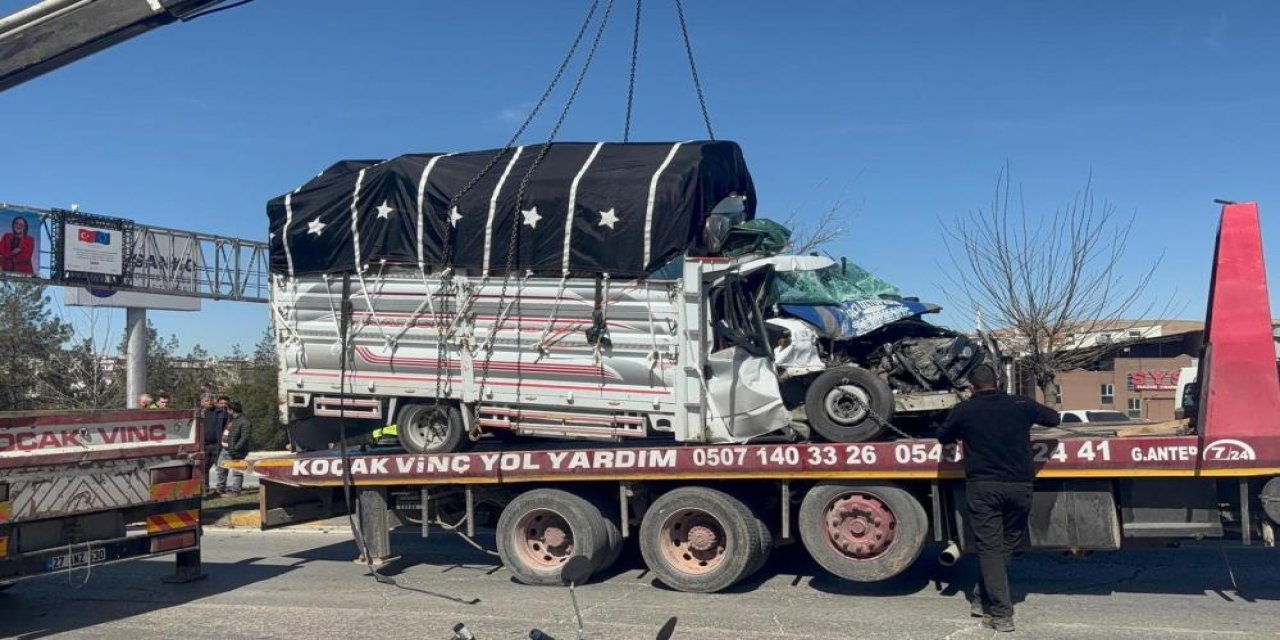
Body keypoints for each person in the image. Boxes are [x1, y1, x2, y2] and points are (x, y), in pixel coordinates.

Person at [937, 364, 1060, 633]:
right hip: (1019, 486)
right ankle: (982, 600)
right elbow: (1054, 419)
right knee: (1006, 547)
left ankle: (1000, 613)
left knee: (991, 549)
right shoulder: (1020, 404)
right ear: (999, 382)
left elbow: (942, 436)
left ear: (971, 387)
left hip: (983, 488)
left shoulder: (965, 410)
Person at [214, 400, 252, 495]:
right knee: (221, 469)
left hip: (235, 451)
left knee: (237, 471)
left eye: (228, 409)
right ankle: (220, 489)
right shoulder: (232, 419)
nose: (226, 411)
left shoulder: (244, 421)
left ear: (232, 410)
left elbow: (245, 437)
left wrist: (235, 448)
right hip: (225, 449)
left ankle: (236, 490)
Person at [197, 394, 226, 496]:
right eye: (207, 400)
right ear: (202, 403)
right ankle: (205, 489)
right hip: (204, 446)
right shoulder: (199, 414)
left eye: (211, 400)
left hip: (216, 445)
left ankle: (220, 489)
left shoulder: (220, 413)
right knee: (204, 468)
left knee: (220, 468)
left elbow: (225, 427)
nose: (209, 402)